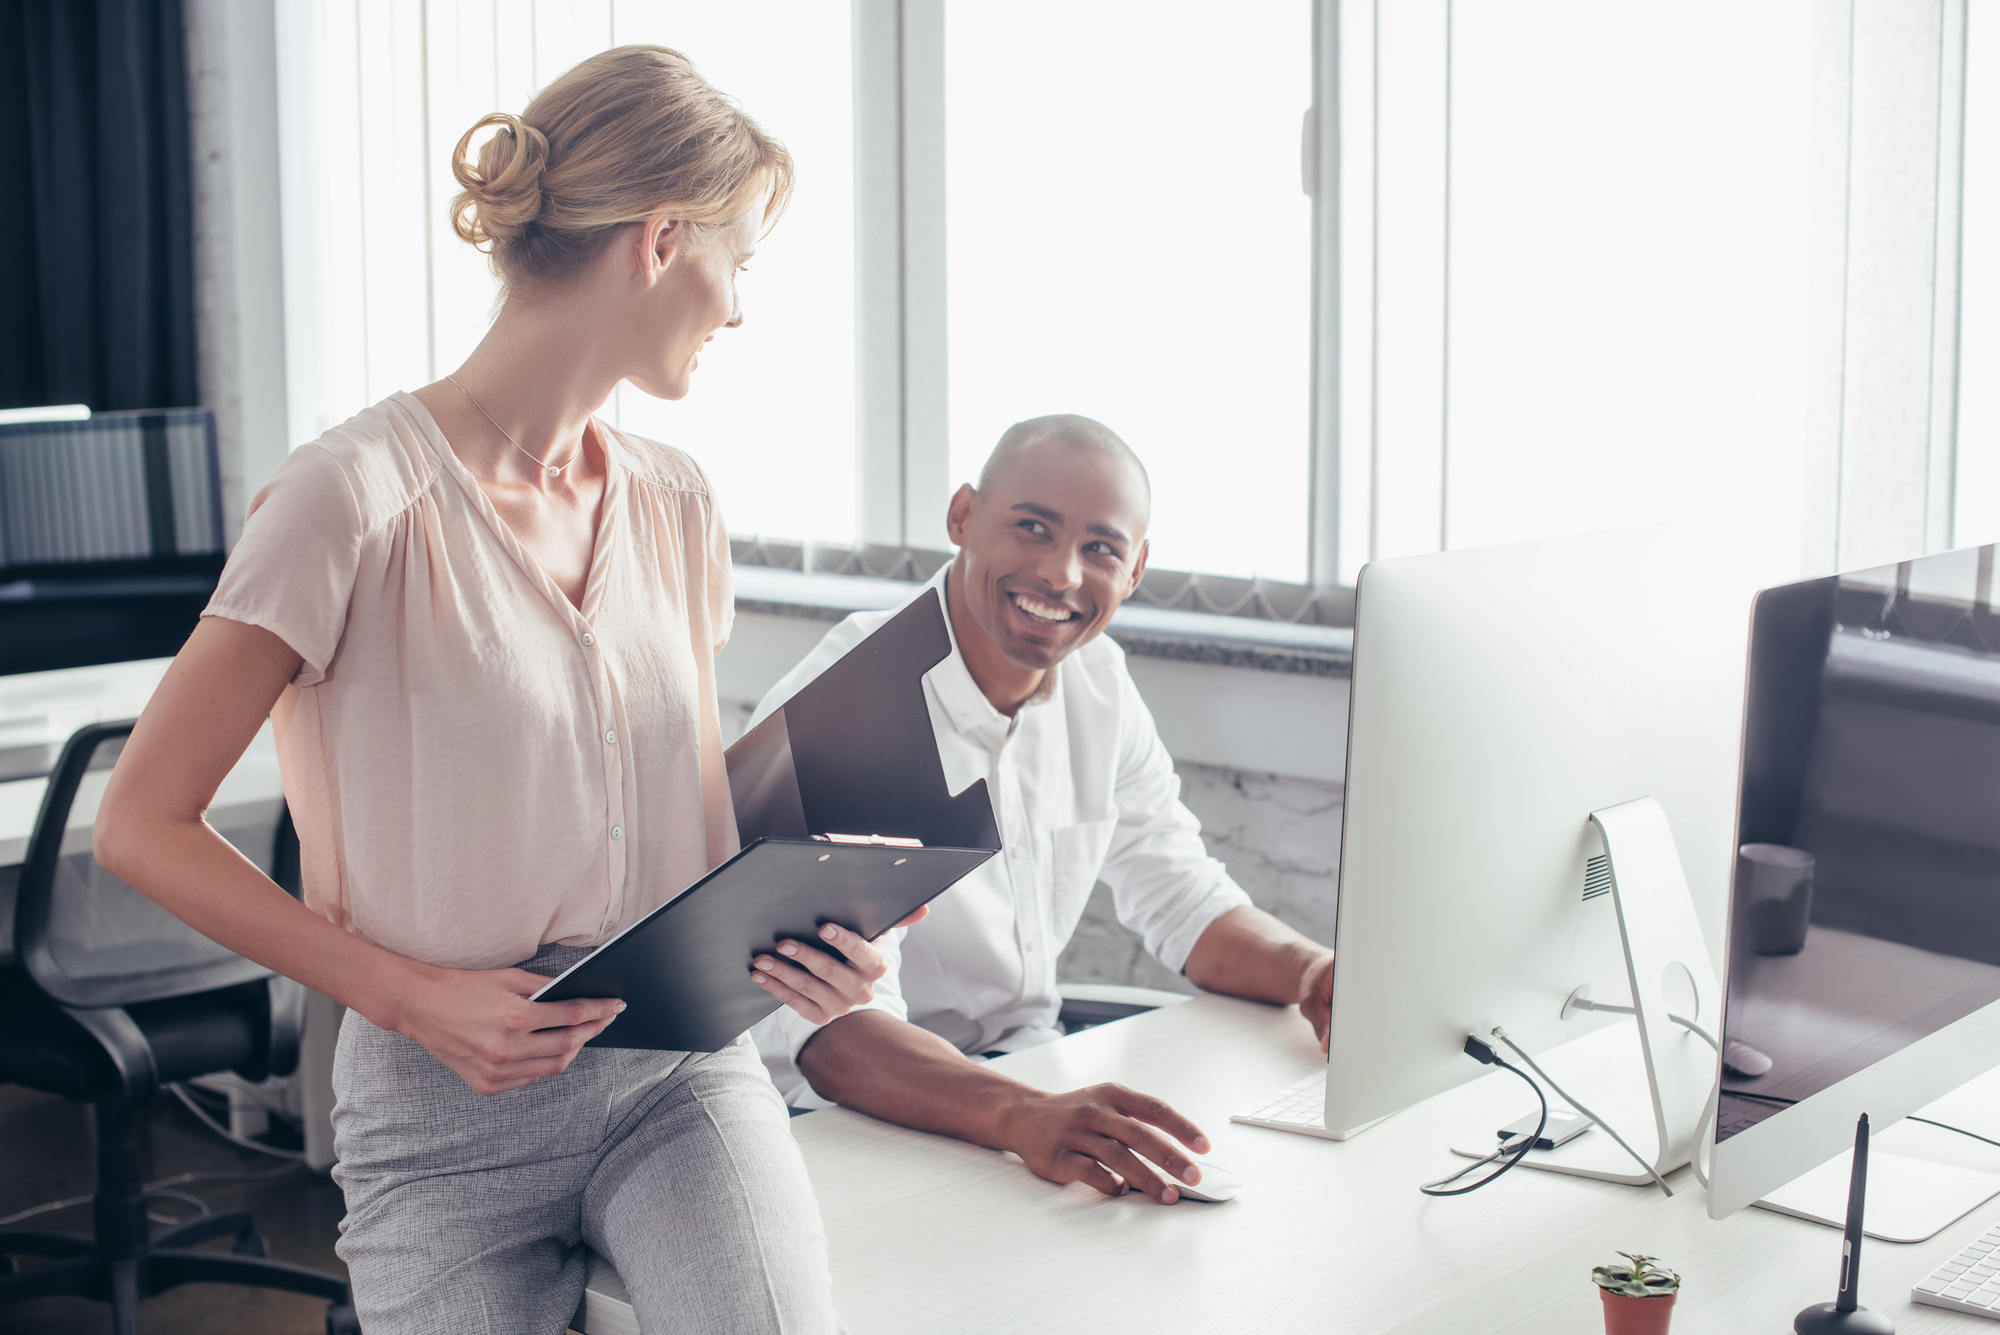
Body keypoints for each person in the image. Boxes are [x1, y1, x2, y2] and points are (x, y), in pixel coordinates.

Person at [94, 46, 888, 1334]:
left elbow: (669, 806)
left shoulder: (678, 501)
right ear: (659, 240)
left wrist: (803, 935)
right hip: (439, 1099)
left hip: (675, 1065)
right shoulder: (347, 496)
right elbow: (141, 823)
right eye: (737, 261)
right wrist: (406, 995)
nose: (738, 307)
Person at [747, 414, 1336, 1206]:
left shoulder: (1099, 684)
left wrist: (1315, 973)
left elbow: (1182, 894)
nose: (1061, 574)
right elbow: (826, 1035)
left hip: (1025, 1085)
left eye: (1101, 548)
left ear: (1136, 570)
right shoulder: (846, 709)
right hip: (853, 1125)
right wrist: (1024, 1114)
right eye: (1032, 528)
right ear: (962, 517)